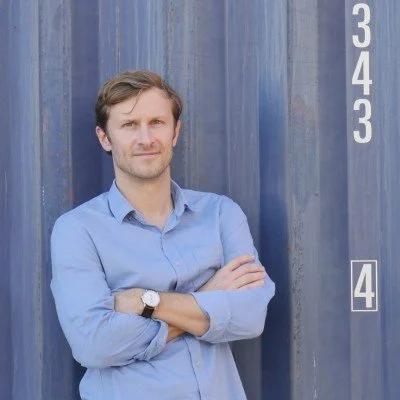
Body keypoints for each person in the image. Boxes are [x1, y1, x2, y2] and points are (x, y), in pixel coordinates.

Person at [50, 70, 275, 400]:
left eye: (156, 122)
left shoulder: (220, 214)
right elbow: (94, 345)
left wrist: (147, 301)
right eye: (129, 125)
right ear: (105, 138)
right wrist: (208, 295)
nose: (146, 138)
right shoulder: (77, 230)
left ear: (175, 132)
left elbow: (251, 317)